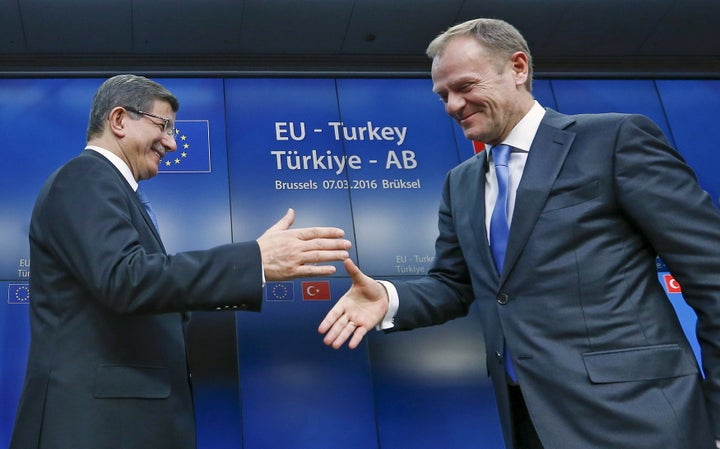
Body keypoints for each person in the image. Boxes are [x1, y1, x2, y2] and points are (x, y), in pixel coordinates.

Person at [319, 18, 720, 449]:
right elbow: (453, 285)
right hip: (530, 421)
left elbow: (711, 273)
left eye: (464, 86)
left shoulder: (614, 139)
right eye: (443, 95)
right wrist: (388, 297)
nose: (453, 105)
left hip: (641, 417)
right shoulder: (461, 182)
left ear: (518, 68)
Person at [9, 74, 351, 449]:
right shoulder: (85, 176)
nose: (171, 143)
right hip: (94, 426)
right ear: (119, 120)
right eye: (163, 126)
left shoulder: (114, 189)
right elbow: (126, 280)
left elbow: (144, 291)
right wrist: (255, 260)